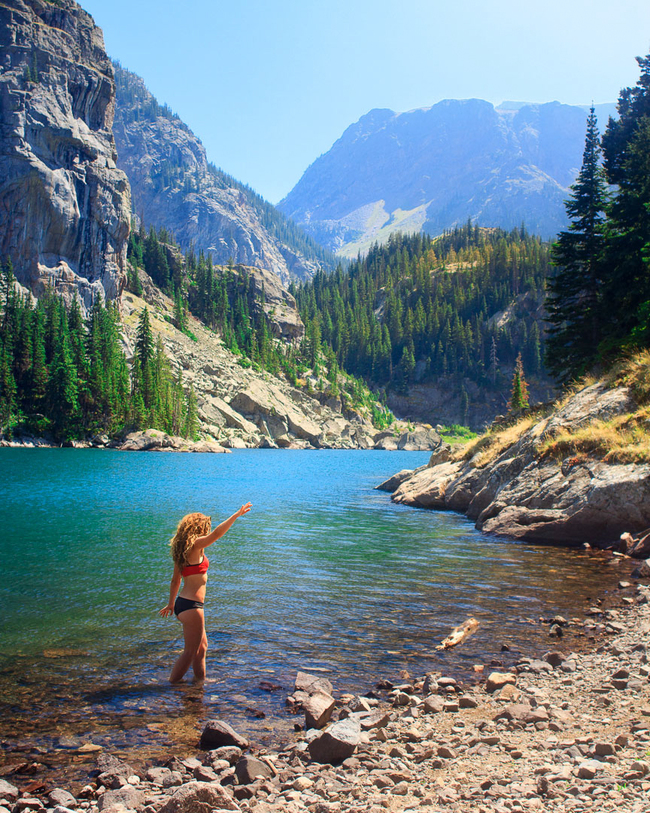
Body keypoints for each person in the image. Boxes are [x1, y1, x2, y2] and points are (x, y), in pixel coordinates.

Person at [159, 503, 252, 683]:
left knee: (202, 648)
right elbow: (216, 535)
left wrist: (171, 604)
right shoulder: (196, 544)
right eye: (204, 528)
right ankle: (172, 684)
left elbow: (175, 581)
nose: (206, 532)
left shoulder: (182, 551)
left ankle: (199, 684)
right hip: (193, 607)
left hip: (183, 604)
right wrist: (236, 515)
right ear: (198, 529)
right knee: (190, 652)